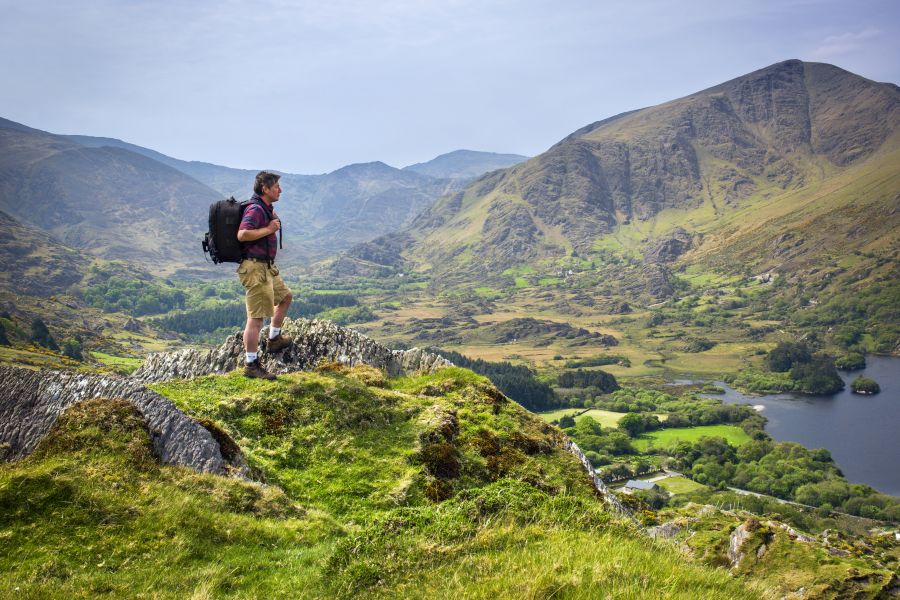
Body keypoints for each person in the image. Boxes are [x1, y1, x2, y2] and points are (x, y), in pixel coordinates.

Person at [236, 170, 294, 379]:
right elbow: (242, 234)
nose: (280, 190)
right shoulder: (255, 209)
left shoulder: (265, 208)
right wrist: (269, 229)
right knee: (256, 319)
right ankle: (251, 364)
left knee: (286, 297)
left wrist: (271, 219)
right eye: (276, 186)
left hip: (267, 266)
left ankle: (274, 339)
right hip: (255, 268)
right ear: (265, 189)